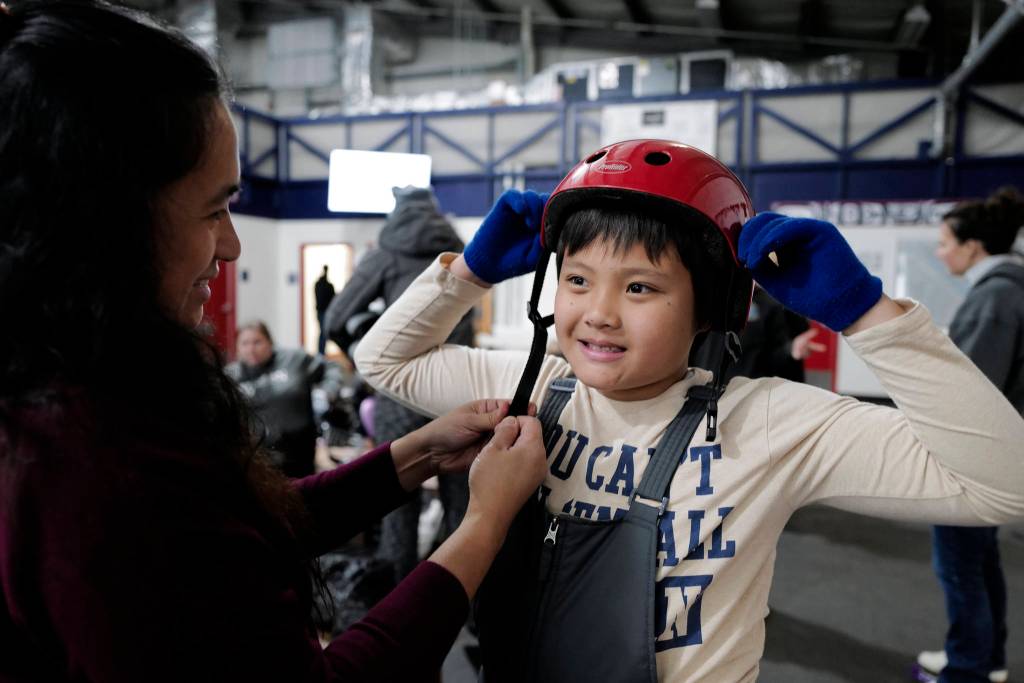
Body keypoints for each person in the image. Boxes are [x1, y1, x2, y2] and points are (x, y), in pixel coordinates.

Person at [0, 2, 548, 680]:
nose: (231, 245)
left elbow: (242, 522)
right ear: (104, 224)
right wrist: (483, 524)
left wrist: (414, 453)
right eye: (213, 209)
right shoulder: (91, 460)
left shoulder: (85, 386)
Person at [353, 140, 1024, 682]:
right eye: (577, 279)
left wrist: (869, 315)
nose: (598, 313)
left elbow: (1005, 484)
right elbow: (384, 360)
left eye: (640, 286)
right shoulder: (538, 386)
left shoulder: (765, 422)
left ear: (712, 308)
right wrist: (467, 271)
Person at [325, 185, 475, 582]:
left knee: (397, 501)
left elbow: (335, 317)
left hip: (401, 390)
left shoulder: (386, 254)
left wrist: (366, 355)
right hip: (458, 389)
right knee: (467, 511)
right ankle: (476, 619)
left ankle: (396, 616)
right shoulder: (460, 251)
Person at [915, 186, 1024, 683]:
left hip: (977, 457)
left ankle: (969, 667)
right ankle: (986, 656)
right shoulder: (1006, 289)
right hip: (998, 454)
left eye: (944, 243)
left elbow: (973, 392)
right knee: (979, 562)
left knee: (961, 565)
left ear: (973, 246)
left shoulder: (997, 295)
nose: (941, 253)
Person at [225, 320, 344, 479]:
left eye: (257, 342)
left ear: (270, 342)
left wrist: (328, 392)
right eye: (245, 343)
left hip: (299, 453)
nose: (251, 349)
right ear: (237, 347)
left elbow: (331, 367)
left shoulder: (294, 360)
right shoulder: (230, 376)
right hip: (256, 458)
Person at [692, 285, 823, 383]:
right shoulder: (704, 299)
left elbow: (773, 359)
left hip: (749, 399)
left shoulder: (771, 306)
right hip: (702, 398)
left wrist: (790, 349)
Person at [315, 266, 335, 355]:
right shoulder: (325, 285)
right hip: (323, 312)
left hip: (323, 312)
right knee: (323, 333)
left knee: (324, 333)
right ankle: (321, 353)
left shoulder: (319, 285)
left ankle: (321, 353)